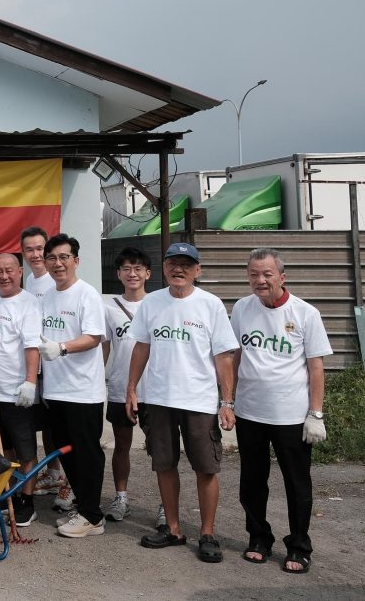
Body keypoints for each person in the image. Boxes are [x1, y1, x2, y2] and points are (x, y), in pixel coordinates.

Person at [127, 242, 238, 563]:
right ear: (163, 267)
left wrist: (227, 401)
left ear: (197, 270)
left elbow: (224, 357)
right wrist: (132, 389)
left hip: (200, 401)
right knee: (164, 464)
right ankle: (173, 529)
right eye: (173, 263)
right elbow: (141, 348)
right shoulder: (152, 304)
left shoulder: (211, 305)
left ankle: (207, 533)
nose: (179, 269)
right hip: (158, 399)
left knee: (206, 467)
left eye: (186, 264)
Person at [231, 248, 331, 573]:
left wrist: (315, 414)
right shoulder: (242, 309)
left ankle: (299, 546)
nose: (260, 280)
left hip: (291, 416)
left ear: (281, 277)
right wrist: (227, 401)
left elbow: (316, 368)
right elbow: (233, 358)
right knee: (252, 482)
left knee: (297, 484)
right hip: (250, 413)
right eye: (254, 275)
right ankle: (259, 537)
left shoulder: (305, 314)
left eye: (267, 274)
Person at [36, 234, 108, 538]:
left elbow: (94, 337)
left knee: (87, 453)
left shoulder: (86, 294)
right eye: (51, 258)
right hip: (55, 389)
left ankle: (93, 516)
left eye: (64, 257)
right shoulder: (48, 296)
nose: (57, 263)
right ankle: (83, 507)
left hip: (82, 391)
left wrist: (62, 347)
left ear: (76, 261)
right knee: (66, 452)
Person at [0, 252, 41, 525]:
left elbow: (32, 346)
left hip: (16, 391)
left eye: (8, 270)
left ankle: (27, 499)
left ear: (19, 272)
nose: (3, 276)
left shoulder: (28, 304)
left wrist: (30, 382)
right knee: (3, 449)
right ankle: (6, 492)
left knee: (25, 450)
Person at [101, 247, 151, 523]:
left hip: (152, 390)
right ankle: (121, 497)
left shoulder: (158, 304)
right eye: (127, 269)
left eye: (138, 268)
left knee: (159, 448)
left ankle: (164, 506)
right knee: (121, 445)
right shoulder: (109, 308)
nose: (133, 274)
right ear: (119, 274)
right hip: (120, 386)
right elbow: (106, 348)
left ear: (148, 273)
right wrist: (100, 380)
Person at [21, 225, 65, 497]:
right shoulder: (29, 280)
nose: (35, 254)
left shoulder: (57, 278)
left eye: (40, 248)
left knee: (58, 426)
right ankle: (53, 474)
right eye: (29, 249)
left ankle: (61, 477)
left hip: (57, 365)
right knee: (42, 425)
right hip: (34, 366)